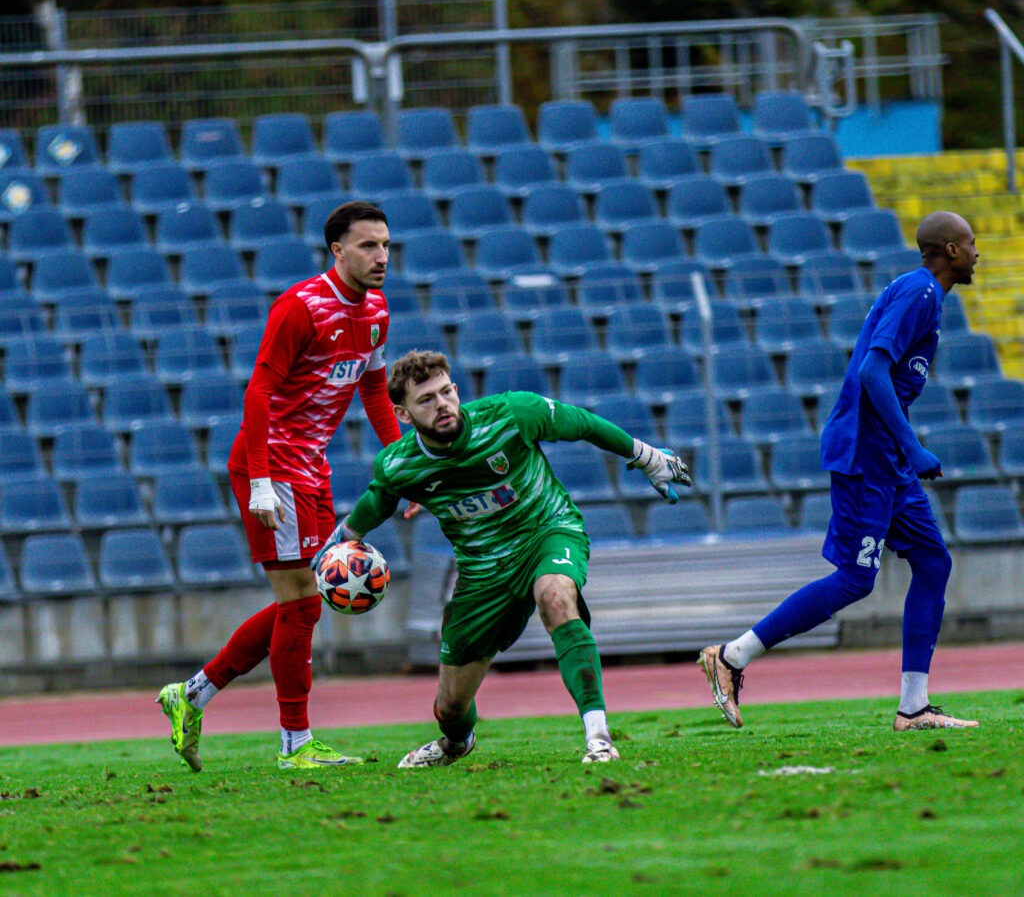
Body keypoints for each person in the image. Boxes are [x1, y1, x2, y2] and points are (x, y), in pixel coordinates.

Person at [315, 349, 692, 766]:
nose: (442, 404)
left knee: (555, 596)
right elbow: (378, 502)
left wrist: (645, 455)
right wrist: (344, 538)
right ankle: (456, 743)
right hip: (482, 572)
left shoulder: (512, 414)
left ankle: (599, 738)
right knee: (450, 708)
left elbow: (583, 423)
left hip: (546, 531)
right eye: (426, 400)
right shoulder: (400, 465)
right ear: (403, 415)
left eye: (446, 392)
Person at [698, 210, 981, 733]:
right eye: (970, 243)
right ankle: (732, 657)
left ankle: (914, 707)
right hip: (866, 455)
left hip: (887, 460)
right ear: (950, 250)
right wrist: (913, 445)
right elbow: (873, 370)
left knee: (933, 563)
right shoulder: (920, 293)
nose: (977, 252)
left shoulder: (922, 294)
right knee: (855, 579)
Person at [158, 200, 415, 770]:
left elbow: (375, 391)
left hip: (312, 466)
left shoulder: (377, 310)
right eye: (368, 245)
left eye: (386, 245)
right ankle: (295, 745)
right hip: (271, 465)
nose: (381, 256)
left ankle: (192, 694)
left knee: (303, 601)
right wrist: (261, 483)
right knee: (301, 602)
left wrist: (403, 464)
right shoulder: (300, 307)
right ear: (337, 250)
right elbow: (258, 390)